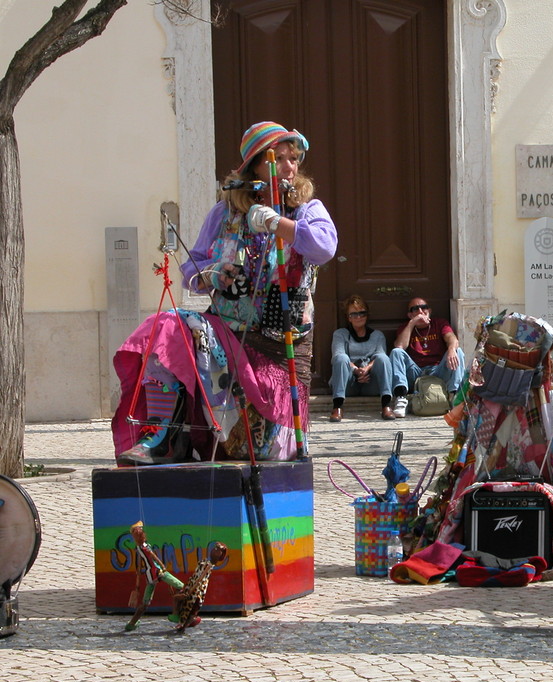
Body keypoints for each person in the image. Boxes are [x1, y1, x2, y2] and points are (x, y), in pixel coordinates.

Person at [112, 121, 338, 465]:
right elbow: (192, 267)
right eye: (279, 159)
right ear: (254, 168)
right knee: (165, 329)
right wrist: (211, 275)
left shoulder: (307, 209)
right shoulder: (224, 213)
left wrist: (279, 223)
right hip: (225, 335)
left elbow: (324, 246)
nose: (290, 167)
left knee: (260, 452)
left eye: (294, 158)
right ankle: (164, 434)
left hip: (278, 349)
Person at [389, 296, 465, 418]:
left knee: (458, 351)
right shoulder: (406, 327)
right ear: (409, 314)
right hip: (416, 371)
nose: (420, 312)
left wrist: (451, 349)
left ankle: (455, 396)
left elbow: (452, 338)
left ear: (429, 310)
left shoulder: (439, 323)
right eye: (415, 309)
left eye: (423, 308)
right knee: (396, 352)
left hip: (437, 370)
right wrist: (413, 323)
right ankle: (401, 398)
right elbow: (400, 346)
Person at [328, 295, 397, 422]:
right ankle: (337, 407)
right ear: (348, 318)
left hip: (370, 382)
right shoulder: (340, 334)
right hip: (348, 382)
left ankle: (386, 405)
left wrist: (366, 369)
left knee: (383, 358)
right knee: (341, 358)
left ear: (367, 315)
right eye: (354, 314)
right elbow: (337, 355)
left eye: (362, 313)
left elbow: (380, 356)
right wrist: (356, 370)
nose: (358, 317)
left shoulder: (377, 335)